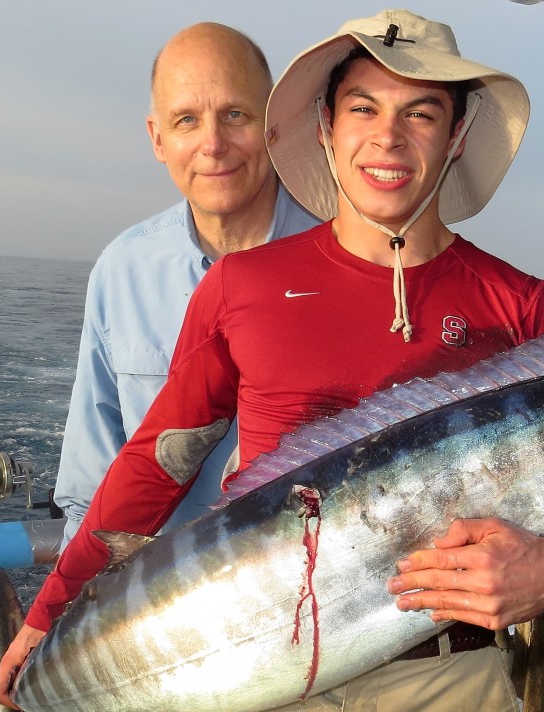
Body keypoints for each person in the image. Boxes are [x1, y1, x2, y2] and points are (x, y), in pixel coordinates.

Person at [0, 10, 544, 712]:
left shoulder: (527, 310)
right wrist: (47, 619)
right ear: (325, 125)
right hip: (242, 686)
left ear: (455, 136)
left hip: (447, 692)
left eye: (420, 113)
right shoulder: (241, 287)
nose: (388, 138)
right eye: (363, 109)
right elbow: (156, 465)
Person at [54, 21, 319, 552]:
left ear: (273, 125)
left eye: (235, 115)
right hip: (167, 604)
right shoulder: (122, 270)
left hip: (307, 594)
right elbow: (92, 487)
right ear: (157, 137)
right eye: (186, 121)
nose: (213, 144)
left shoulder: (344, 262)